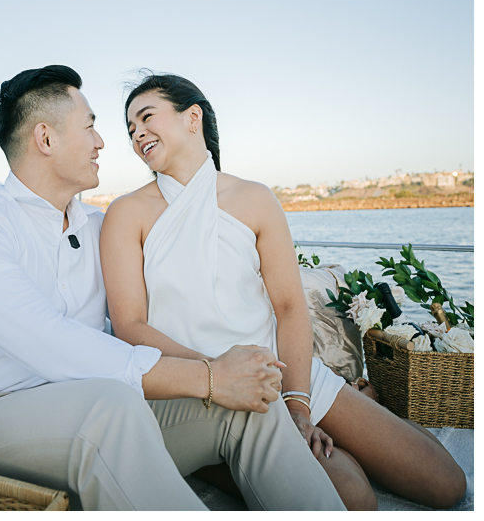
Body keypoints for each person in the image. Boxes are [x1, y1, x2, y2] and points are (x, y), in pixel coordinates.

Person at [0, 64, 346, 511]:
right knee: (111, 404)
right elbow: (51, 342)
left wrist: (240, 377)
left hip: (96, 409)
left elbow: (166, 302)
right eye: (90, 128)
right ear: (46, 139)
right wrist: (208, 376)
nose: (104, 142)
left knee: (246, 408)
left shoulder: (98, 227)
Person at [100, 72, 468, 510]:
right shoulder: (126, 213)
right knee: (354, 497)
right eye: (130, 129)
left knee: (447, 485)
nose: (137, 133)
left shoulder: (256, 198)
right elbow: (129, 326)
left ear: (192, 117)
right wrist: (224, 373)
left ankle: (350, 409)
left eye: (146, 117)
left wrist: (297, 406)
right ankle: (212, 456)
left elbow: (291, 308)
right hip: (201, 387)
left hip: (283, 372)